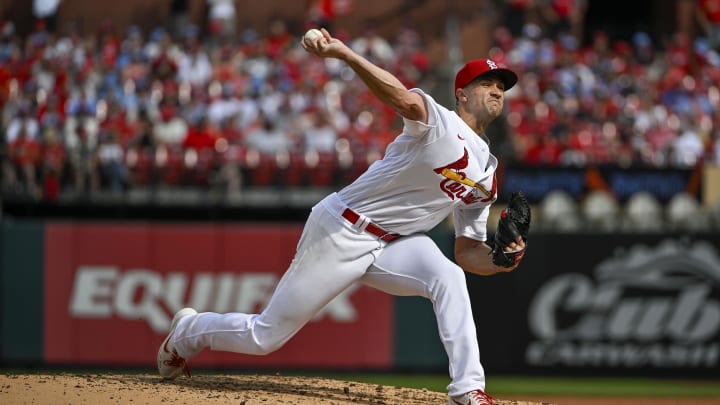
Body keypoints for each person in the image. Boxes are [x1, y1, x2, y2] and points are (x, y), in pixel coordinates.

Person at [157, 28, 526, 405]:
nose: (496, 89)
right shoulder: (440, 124)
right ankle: (189, 331)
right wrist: (346, 55)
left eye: (501, 84)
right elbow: (400, 97)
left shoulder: (487, 177)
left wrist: (500, 260)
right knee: (264, 337)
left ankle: (467, 390)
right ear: (461, 93)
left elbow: (467, 253)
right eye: (486, 82)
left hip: (393, 244)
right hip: (342, 228)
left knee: (449, 274)